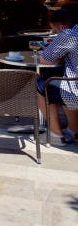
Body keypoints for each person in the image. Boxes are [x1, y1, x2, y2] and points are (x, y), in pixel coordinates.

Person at [36, 11, 78, 146]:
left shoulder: (68, 34)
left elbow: (45, 60)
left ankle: (56, 135)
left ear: (61, 27)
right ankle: (73, 131)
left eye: (55, 31)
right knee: (61, 82)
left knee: (40, 84)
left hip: (75, 87)